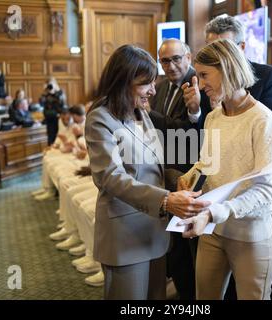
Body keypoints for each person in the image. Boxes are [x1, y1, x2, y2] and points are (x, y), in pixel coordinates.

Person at [85, 44, 211, 300]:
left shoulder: (141, 113)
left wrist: (179, 180)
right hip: (125, 234)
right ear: (124, 81)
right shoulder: (100, 119)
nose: (153, 90)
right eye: (147, 84)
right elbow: (110, 177)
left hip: (154, 231)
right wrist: (165, 200)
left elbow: (154, 164)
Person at [177, 39, 272, 300]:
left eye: (204, 75)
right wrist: (188, 177)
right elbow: (207, 164)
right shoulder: (213, 117)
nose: (200, 85)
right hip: (213, 231)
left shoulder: (263, 120)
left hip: (250, 235)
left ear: (227, 67)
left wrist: (214, 213)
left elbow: (266, 190)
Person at [149, 38, 211, 300]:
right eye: (165, 60)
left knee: (190, 248)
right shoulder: (161, 87)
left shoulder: (201, 84)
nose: (171, 65)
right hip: (165, 173)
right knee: (174, 250)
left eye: (176, 58)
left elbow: (193, 134)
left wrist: (195, 111)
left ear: (188, 56)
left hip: (192, 178)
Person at [201, 15, 272, 125]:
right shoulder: (204, 77)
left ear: (242, 47)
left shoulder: (269, 76)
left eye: (224, 49)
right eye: (211, 48)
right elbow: (199, 131)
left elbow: (270, 126)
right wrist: (194, 112)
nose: (217, 56)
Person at [39, 77, 66, 145]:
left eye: (52, 83)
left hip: (59, 118)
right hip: (50, 118)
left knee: (60, 137)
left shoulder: (60, 92)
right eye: (48, 84)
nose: (50, 86)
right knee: (51, 138)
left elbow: (62, 104)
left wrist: (57, 91)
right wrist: (45, 92)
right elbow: (41, 103)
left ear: (55, 84)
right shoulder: (46, 94)